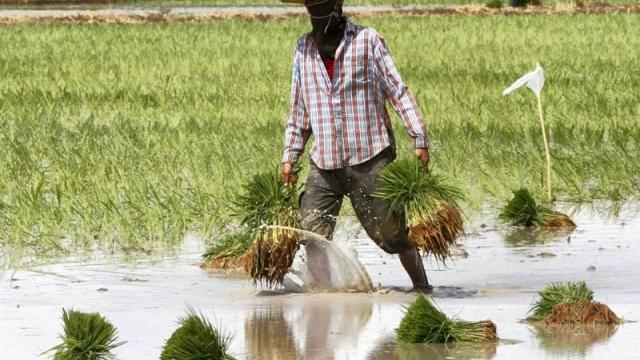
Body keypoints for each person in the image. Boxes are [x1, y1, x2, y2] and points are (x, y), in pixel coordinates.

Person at [280, 0, 432, 293]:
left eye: (322, 3)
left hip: (370, 155)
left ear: (337, 5)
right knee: (312, 235)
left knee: (393, 235)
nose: (317, 10)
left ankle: (423, 290)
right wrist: (290, 156)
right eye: (311, 4)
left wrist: (419, 137)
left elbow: (396, 90)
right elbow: (299, 109)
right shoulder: (303, 49)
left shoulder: (367, 41)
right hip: (324, 162)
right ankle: (321, 299)